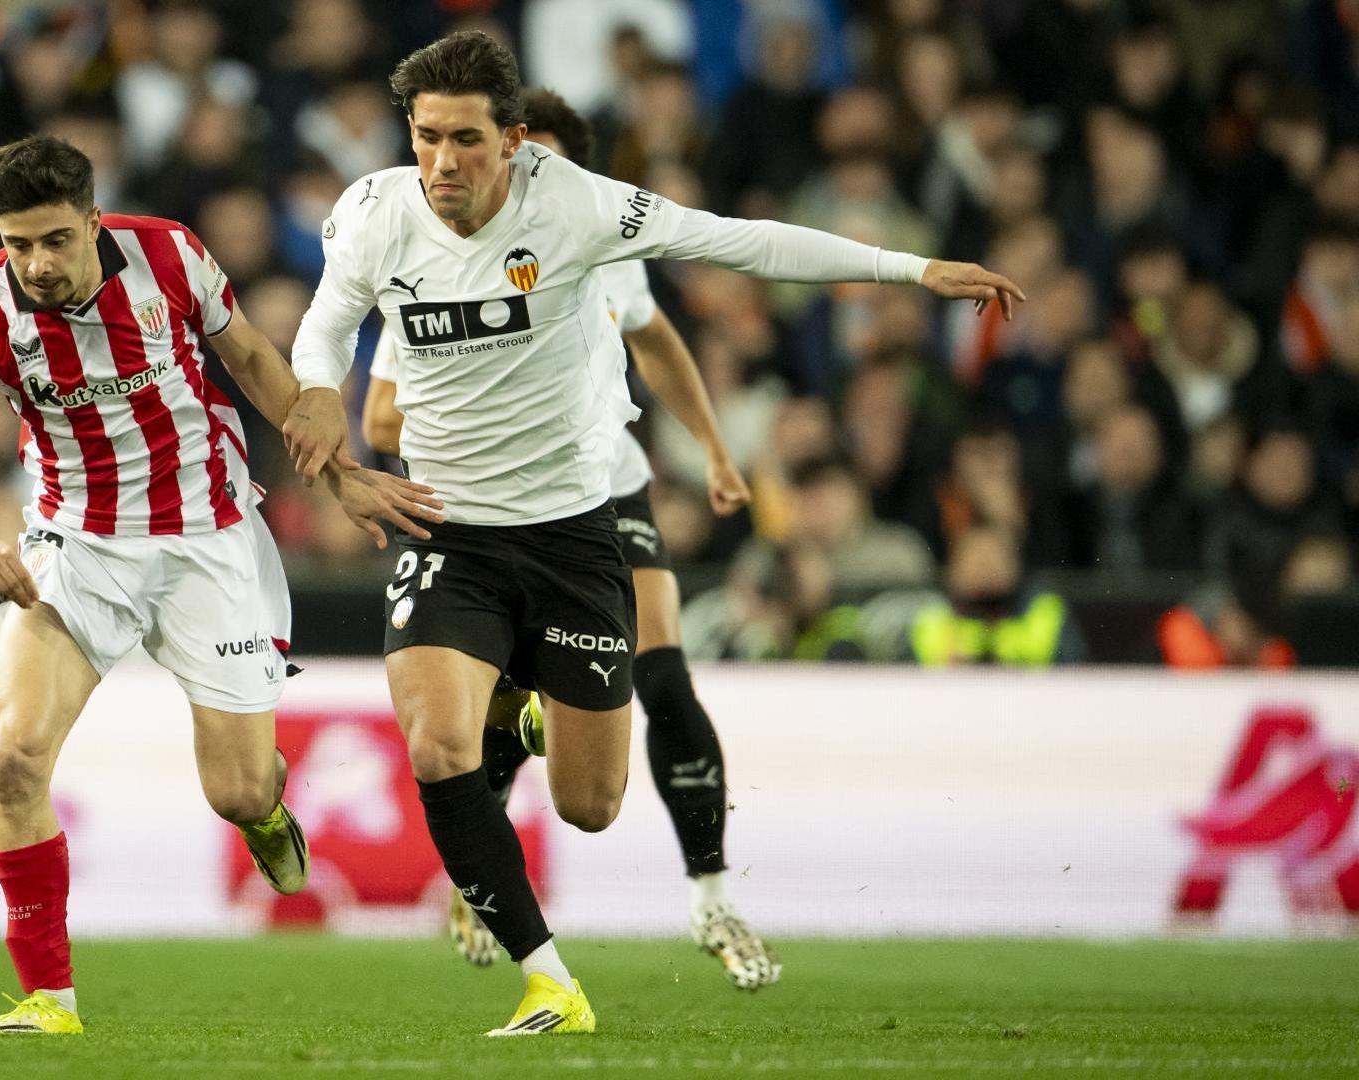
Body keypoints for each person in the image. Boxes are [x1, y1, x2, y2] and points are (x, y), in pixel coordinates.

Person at [286, 31, 1021, 1037]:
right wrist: (317, 391)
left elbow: (741, 241)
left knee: (590, 805)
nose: (442, 163)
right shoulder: (375, 210)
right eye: (426, 138)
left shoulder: (577, 206)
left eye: (465, 140)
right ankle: (550, 983)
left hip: (572, 532)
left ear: (514, 140)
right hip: (447, 528)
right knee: (437, 743)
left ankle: (535, 713)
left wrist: (911, 269)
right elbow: (328, 320)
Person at [0, 135, 441, 1036]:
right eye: (17, 244)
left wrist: (340, 472)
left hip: (209, 539)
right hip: (76, 547)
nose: (37, 264)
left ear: (93, 220)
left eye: (55, 240)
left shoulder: (169, 253)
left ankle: (264, 810)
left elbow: (253, 362)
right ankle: (48, 1000)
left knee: (237, 792)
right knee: (12, 758)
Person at [360, 88, 776, 992]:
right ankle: (485, 851)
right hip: (493, 510)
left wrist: (713, 447)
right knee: (494, 697)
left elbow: (655, 339)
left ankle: (712, 898)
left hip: (607, 494)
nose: (525, 177)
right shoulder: (437, 261)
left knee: (663, 674)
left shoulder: (597, 236)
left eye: (542, 160)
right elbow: (382, 416)